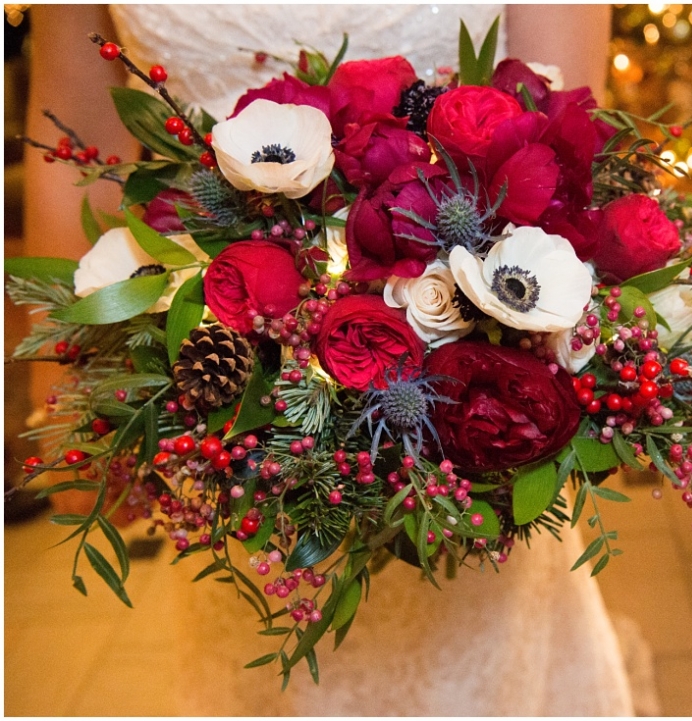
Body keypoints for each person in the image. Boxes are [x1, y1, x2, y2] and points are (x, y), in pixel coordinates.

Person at [20, 4, 642, 716]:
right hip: (233, 419)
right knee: (262, 657)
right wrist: (68, 393)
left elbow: (560, 137)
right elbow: (71, 141)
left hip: (465, 420)